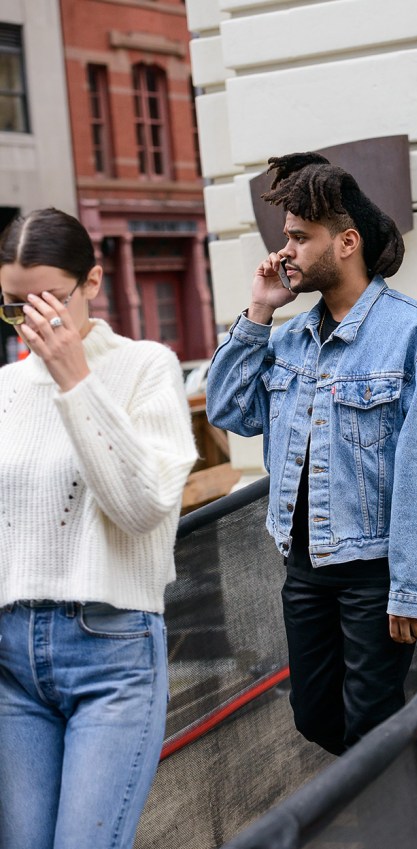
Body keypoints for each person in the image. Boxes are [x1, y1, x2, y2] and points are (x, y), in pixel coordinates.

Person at [206, 152, 417, 755]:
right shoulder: (291, 334)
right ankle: (410, 786)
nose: (285, 252)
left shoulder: (414, 337)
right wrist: (259, 312)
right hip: (304, 563)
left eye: (300, 238)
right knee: (314, 716)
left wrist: (411, 586)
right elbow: (228, 410)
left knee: (373, 728)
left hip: (374, 568)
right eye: (285, 237)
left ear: (346, 242)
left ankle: (402, 815)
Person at [0, 208, 197, 849]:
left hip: (110, 648)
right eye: (13, 306)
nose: (35, 322)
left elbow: (143, 507)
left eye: (50, 301)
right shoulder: (4, 388)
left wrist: (75, 378)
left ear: (93, 282)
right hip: (9, 654)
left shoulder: (147, 367)